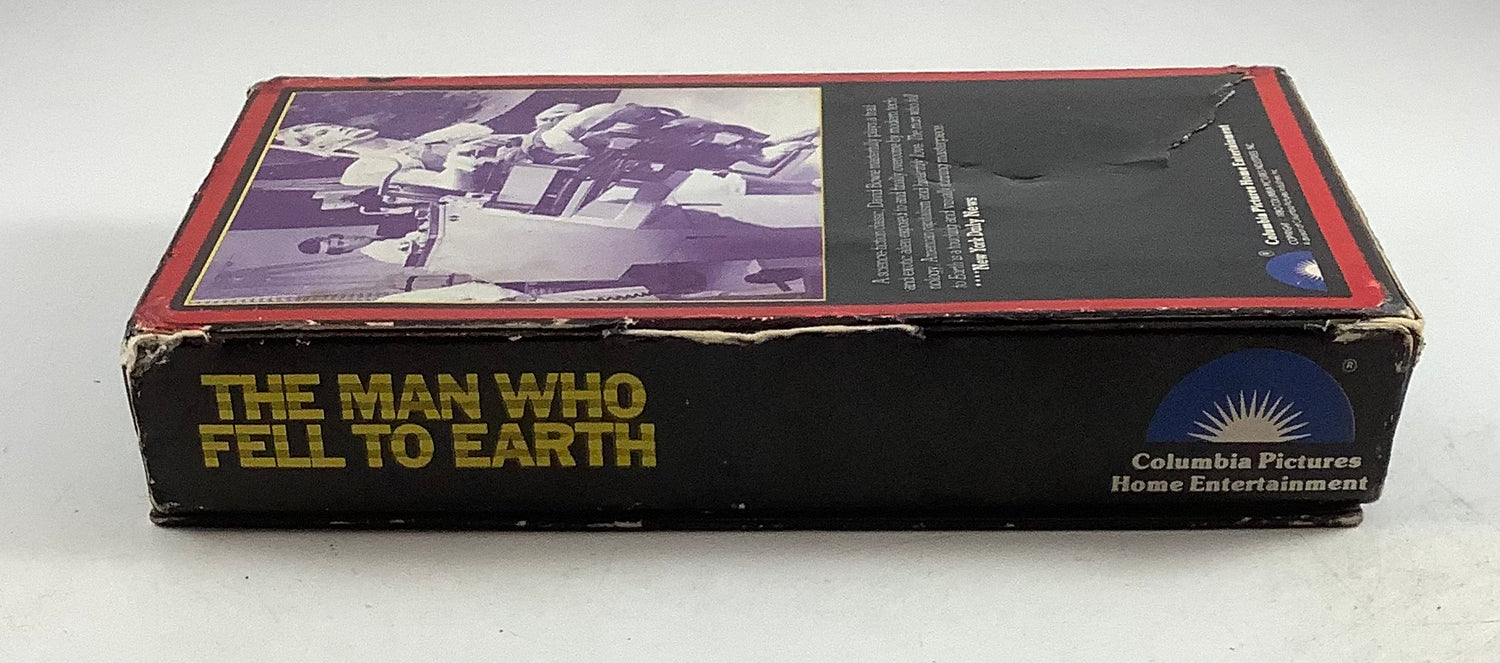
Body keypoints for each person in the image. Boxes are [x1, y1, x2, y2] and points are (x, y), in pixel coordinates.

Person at [296, 230, 424, 266]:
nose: (350, 239)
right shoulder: (379, 251)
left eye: (342, 237)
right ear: (346, 251)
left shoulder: (383, 233)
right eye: (341, 244)